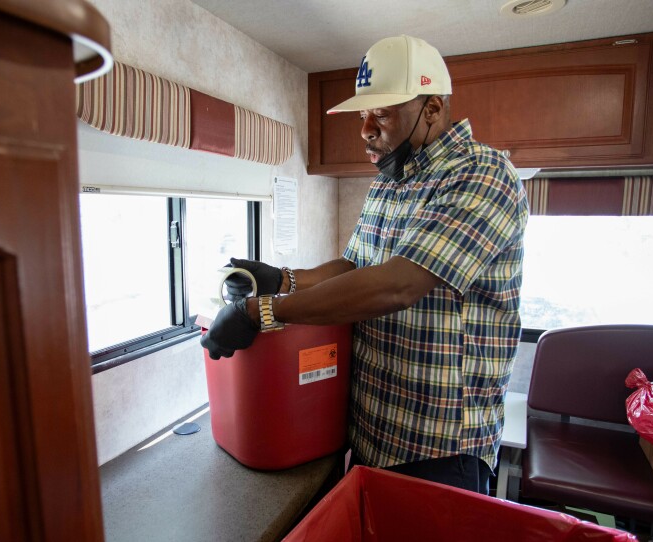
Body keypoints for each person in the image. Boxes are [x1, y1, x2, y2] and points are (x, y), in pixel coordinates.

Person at [201, 35, 528, 495]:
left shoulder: (481, 174)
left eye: (383, 113)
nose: (366, 129)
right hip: (372, 433)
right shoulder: (389, 184)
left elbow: (396, 285)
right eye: (362, 115)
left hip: (438, 448)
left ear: (432, 109)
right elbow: (355, 266)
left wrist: (263, 311)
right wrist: (285, 278)